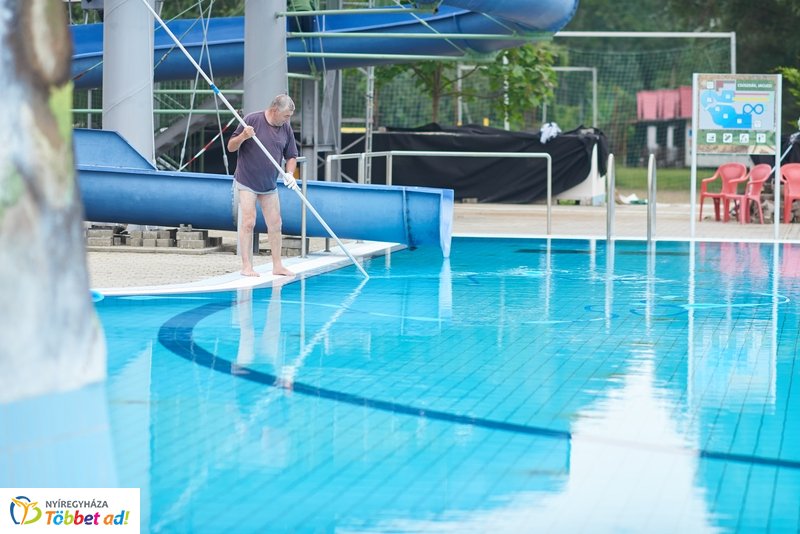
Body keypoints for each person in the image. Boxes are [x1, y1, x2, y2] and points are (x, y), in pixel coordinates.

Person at [227, 94, 299, 277]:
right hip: (247, 180)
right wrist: (243, 136)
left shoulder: (286, 128)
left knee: (276, 223)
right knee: (249, 222)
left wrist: (290, 173)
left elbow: (291, 155)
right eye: (286, 116)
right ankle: (246, 267)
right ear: (275, 110)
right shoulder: (252, 120)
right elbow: (231, 147)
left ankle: (277, 265)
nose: (288, 119)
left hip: (269, 183)